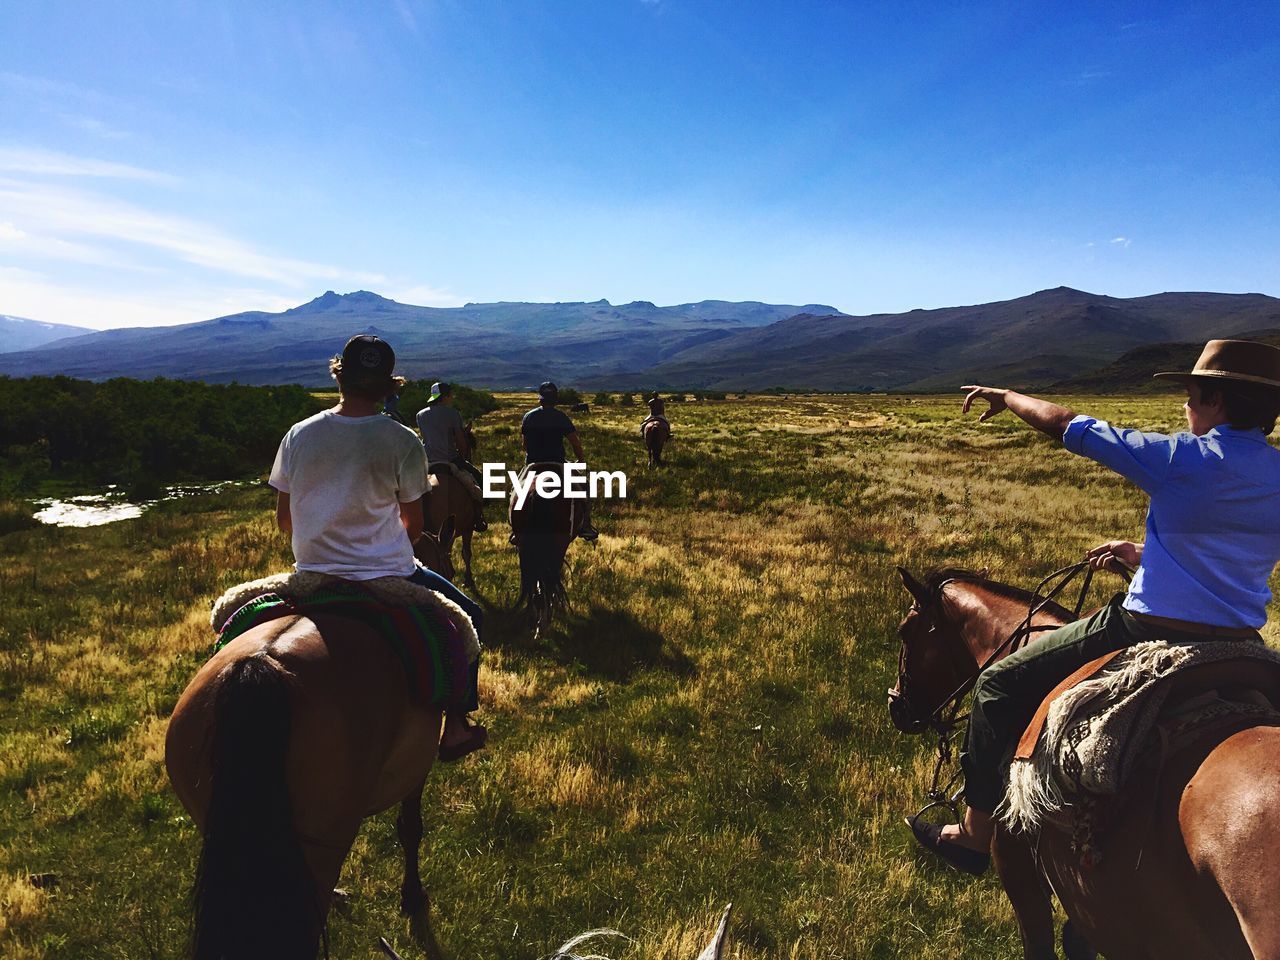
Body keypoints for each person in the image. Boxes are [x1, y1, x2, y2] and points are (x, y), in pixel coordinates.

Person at [910, 339, 1280, 875]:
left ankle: (971, 834)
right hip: (1243, 640)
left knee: (998, 685)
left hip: (1147, 629)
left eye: (1193, 396)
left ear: (1217, 401)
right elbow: (1231, 542)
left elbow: (1069, 425)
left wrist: (1009, 396)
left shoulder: (1180, 458)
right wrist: (1145, 551)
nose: (1185, 408)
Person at [269, 334, 487, 762]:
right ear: (389, 387)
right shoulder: (402, 440)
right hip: (385, 576)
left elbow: (285, 520)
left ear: (339, 377)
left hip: (310, 573)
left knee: (231, 614)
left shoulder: (298, 434)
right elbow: (413, 525)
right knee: (471, 617)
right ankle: (457, 727)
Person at [520, 381, 599, 541]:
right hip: (557, 463)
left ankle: (516, 528)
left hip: (533, 463)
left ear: (540, 399)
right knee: (584, 487)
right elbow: (575, 442)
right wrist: (580, 459)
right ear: (555, 399)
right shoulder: (561, 417)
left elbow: (525, 444)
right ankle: (585, 525)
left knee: (517, 492)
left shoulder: (528, 417)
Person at [415, 381, 488, 531]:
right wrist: (462, 457)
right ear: (445, 396)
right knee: (478, 479)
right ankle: (479, 516)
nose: (452, 398)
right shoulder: (452, 413)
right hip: (449, 459)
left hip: (426, 461)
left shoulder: (420, 415)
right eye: (450, 395)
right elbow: (461, 441)